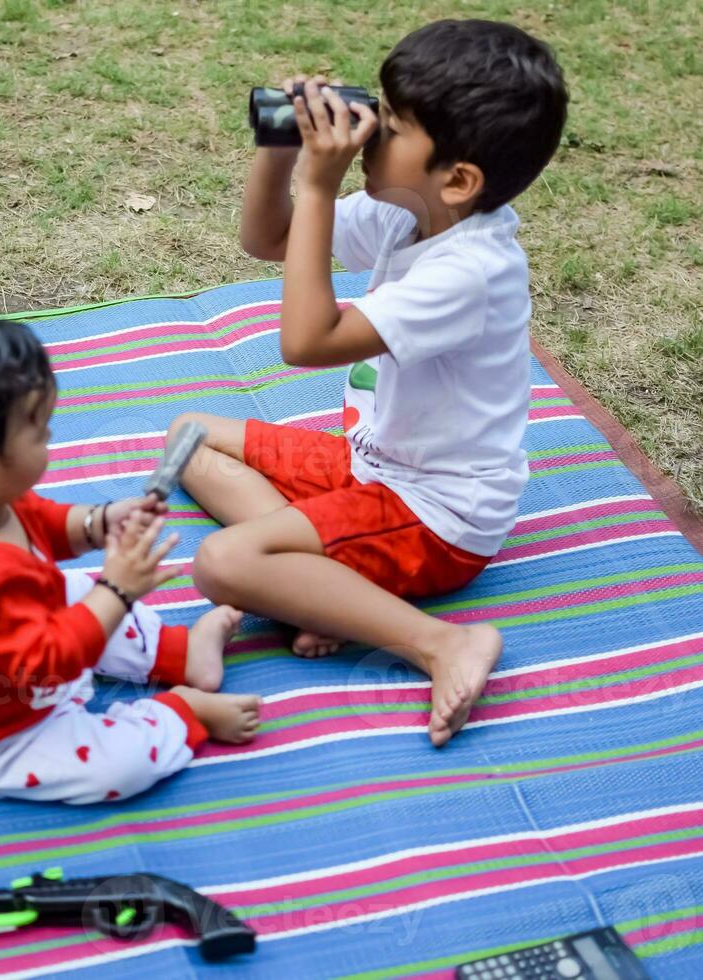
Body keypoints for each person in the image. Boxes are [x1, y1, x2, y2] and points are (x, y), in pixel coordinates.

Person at [168, 19, 568, 747]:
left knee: (221, 564)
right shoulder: (411, 212)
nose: (369, 130)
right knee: (188, 437)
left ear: (457, 177)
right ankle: (316, 593)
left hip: (437, 515)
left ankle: (441, 643)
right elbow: (267, 239)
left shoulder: (471, 271)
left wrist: (319, 183)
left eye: (394, 123)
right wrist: (280, 147)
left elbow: (305, 341)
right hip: (370, 464)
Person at [0, 308, 260, 804]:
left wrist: (102, 522)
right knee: (115, 768)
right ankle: (182, 711)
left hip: (26, 651)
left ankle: (183, 654)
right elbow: (48, 664)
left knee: (74, 592)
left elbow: (43, 520)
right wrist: (117, 591)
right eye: (38, 433)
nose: (51, 439)